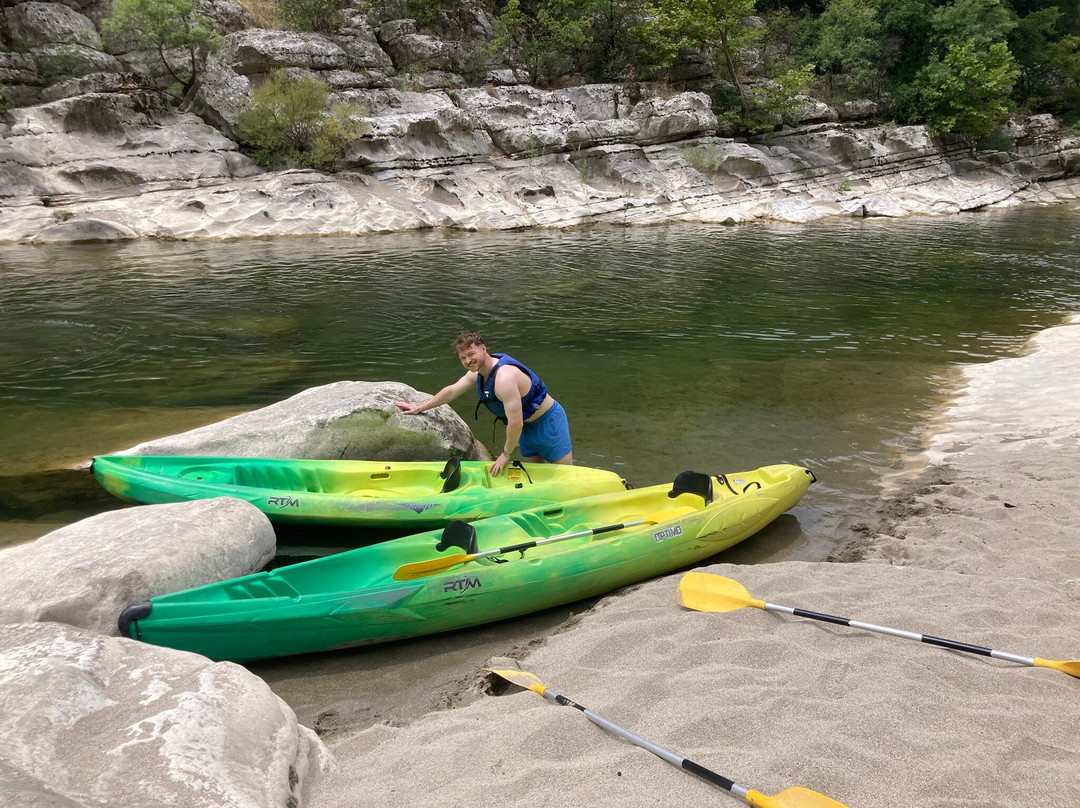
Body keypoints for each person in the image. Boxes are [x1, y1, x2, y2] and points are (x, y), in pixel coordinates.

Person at [394, 332, 572, 476]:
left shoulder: (504, 378)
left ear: (484, 349)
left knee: (566, 476)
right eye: (463, 358)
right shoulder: (478, 373)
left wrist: (505, 455)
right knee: (536, 478)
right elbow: (452, 391)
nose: (468, 361)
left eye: (471, 354)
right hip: (526, 428)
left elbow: (515, 422)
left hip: (548, 423)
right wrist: (420, 407)